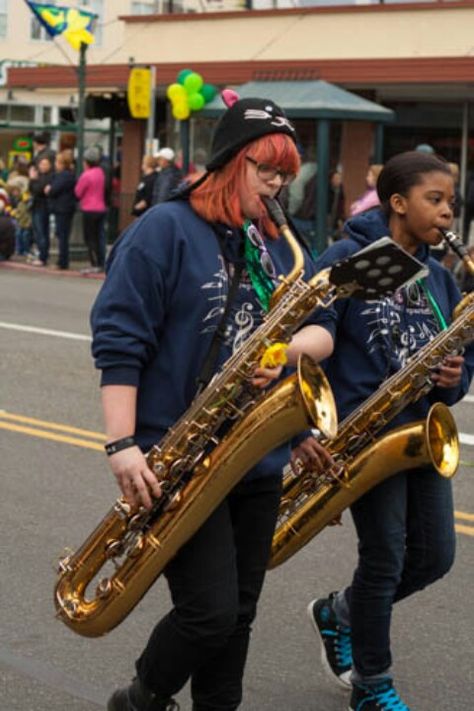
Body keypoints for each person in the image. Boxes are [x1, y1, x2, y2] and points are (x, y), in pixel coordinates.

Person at [90, 93, 334, 711]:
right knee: (209, 615)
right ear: (230, 160)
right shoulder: (165, 229)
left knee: (240, 615)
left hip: (253, 458)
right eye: (266, 168)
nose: (280, 184)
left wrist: (282, 360)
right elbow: (120, 341)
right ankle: (142, 697)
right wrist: (122, 445)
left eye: (286, 171)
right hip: (177, 455)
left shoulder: (275, 242)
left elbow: (321, 329)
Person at [293, 151, 474, 710]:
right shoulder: (355, 258)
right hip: (364, 436)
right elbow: (318, 337)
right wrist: (311, 429)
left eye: (451, 202)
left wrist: (454, 374)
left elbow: (459, 373)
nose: (448, 213)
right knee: (385, 558)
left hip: (417, 435)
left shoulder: (443, 279)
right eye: (435, 200)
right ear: (398, 203)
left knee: (434, 558)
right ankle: (373, 685)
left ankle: (341, 612)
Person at [75, 146, 107, 273]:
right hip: (101, 207)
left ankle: (94, 263)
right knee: (99, 236)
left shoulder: (86, 175)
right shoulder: (100, 172)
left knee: (90, 238)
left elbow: (78, 192)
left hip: (89, 209)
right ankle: (101, 261)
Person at [45, 150, 77, 270]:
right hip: (63, 208)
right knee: (61, 234)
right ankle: (62, 259)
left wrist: (49, 189)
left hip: (63, 208)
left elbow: (54, 189)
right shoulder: (66, 175)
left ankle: (63, 261)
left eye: (57, 162)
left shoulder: (65, 175)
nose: (55, 165)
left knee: (62, 235)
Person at [29, 156, 54, 266]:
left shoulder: (49, 177)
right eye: (41, 164)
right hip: (36, 205)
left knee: (42, 232)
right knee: (38, 231)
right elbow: (32, 189)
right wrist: (33, 180)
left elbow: (38, 190)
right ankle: (41, 254)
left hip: (42, 206)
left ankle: (43, 256)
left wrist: (33, 180)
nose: (43, 166)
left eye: (45, 164)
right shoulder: (39, 176)